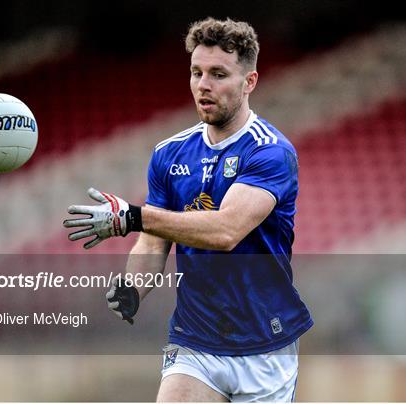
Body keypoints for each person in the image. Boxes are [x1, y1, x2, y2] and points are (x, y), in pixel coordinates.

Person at [63, 17, 313, 402]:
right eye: (196, 72)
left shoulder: (270, 151)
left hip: (265, 343)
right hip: (196, 339)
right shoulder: (169, 153)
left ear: (250, 82)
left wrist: (131, 215)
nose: (203, 85)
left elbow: (225, 231)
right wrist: (134, 288)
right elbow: (152, 243)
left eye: (218, 74)